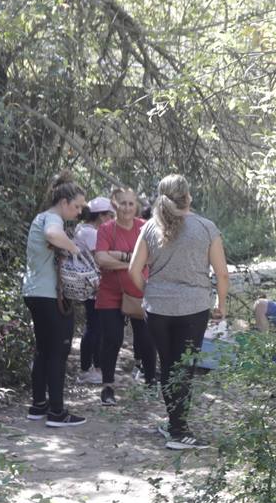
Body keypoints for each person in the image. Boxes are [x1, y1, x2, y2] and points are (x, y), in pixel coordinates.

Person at [128, 174, 228, 450]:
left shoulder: (149, 228)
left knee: (169, 364)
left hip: (157, 308)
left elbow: (133, 271)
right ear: (189, 196)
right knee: (184, 367)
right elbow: (222, 274)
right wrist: (222, 306)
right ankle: (179, 431)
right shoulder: (206, 228)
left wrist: (148, 291)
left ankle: (174, 424)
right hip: (194, 308)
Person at [21, 172, 88, 427]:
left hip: (35, 292)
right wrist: (75, 249)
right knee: (57, 352)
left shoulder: (42, 217)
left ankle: (39, 405)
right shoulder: (52, 219)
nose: (80, 211)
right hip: (48, 296)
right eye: (77, 206)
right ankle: (57, 413)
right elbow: (52, 234)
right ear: (63, 202)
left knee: (44, 350)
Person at [93, 186, 158, 406]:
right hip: (111, 293)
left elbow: (152, 258)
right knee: (112, 339)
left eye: (131, 203)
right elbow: (101, 259)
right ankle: (108, 387)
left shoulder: (144, 227)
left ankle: (151, 382)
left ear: (136, 206)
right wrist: (132, 262)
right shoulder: (106, 229)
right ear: (115, 204)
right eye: (123, 203)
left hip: (141, 291)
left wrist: (120, 257)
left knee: (147, 339)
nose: (127, 208)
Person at [75, 197, 114, 384]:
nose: (111, 219)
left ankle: (96, 367)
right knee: (94, 327)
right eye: (109, 215)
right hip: (93, 286)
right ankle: (86, 369)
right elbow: (99, 258)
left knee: (96, 326)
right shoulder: (91, 233)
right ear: (100, 216)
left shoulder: (82, 229)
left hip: (92, 285)